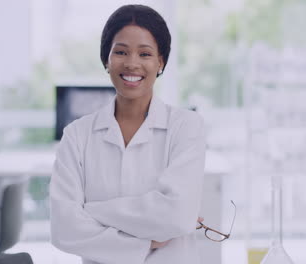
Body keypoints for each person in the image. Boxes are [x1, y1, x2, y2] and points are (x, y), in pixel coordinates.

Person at [50, 4, 206, 264]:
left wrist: (90, 212)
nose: (132, 63)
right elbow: (63, 229)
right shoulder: (77, 136)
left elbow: (177, 215)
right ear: (106, 60)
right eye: (121, 52)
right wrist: (146, 241)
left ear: (161, 62)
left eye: (145, 54)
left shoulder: (186, 127)